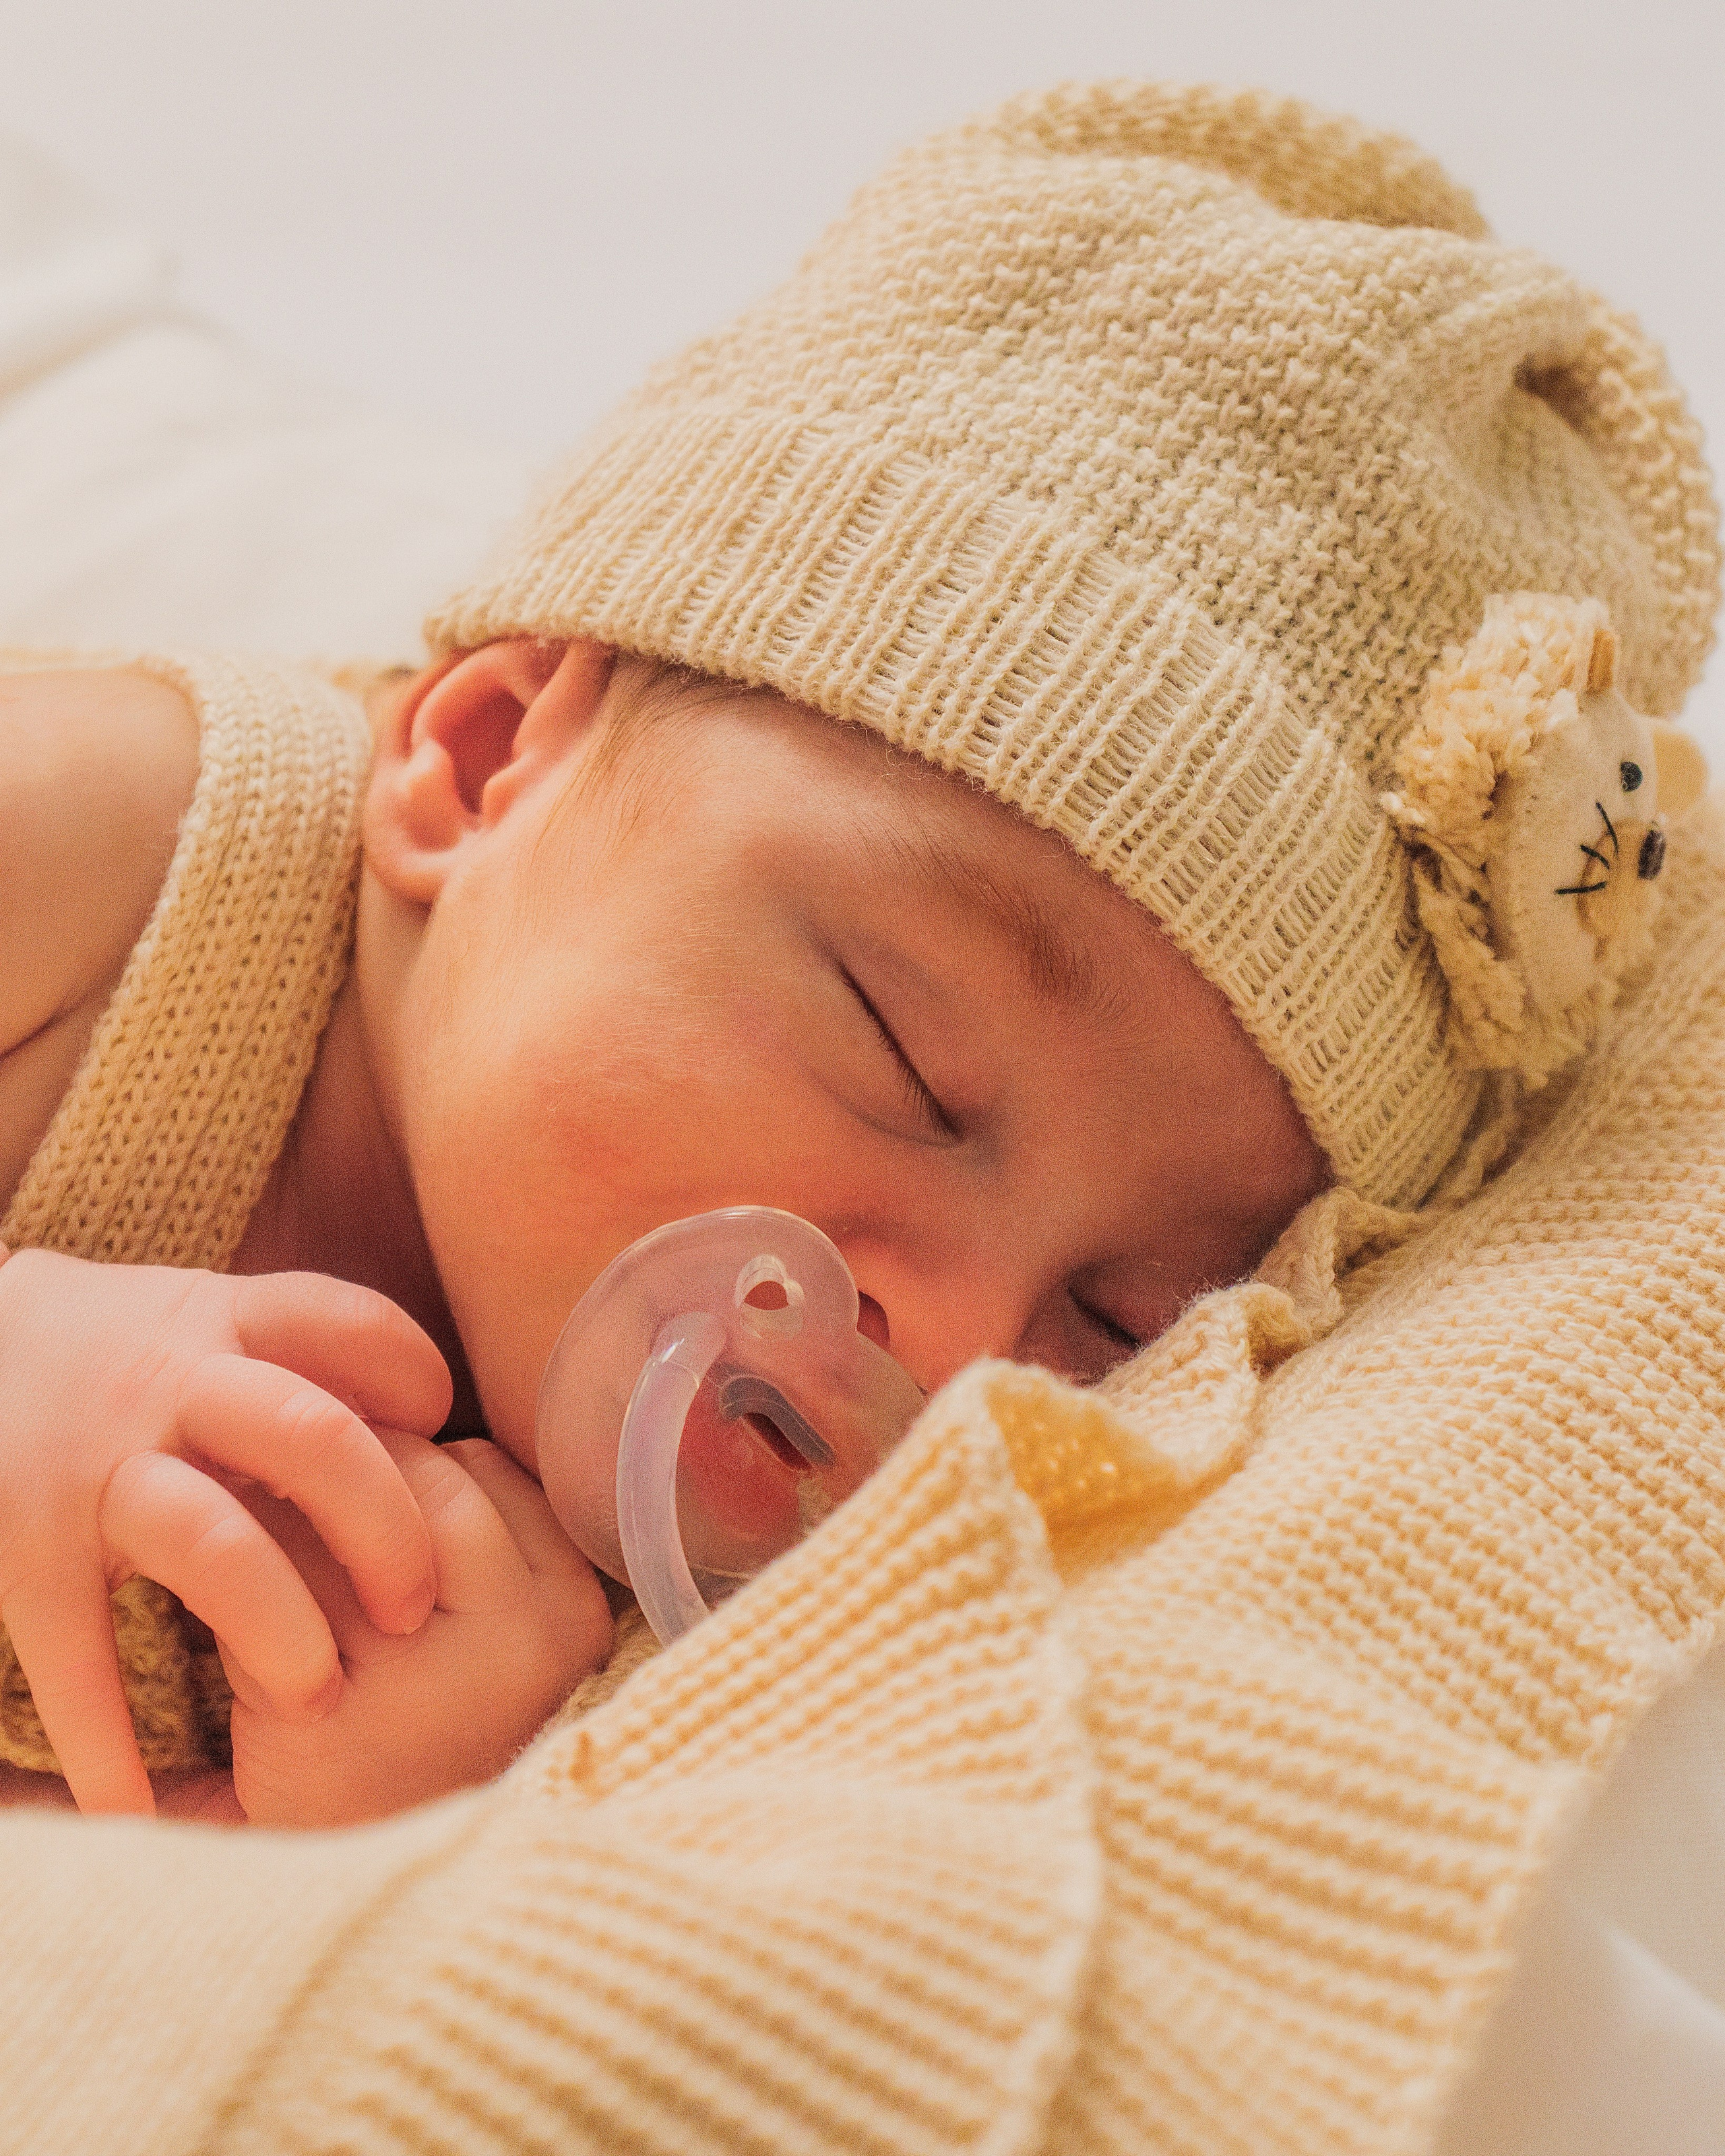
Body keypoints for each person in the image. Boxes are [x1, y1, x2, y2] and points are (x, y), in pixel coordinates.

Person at [0, 79, 1714, 1834]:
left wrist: (348, 1803)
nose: (961, 1346)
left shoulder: (713, 1577)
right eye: (901, 1056)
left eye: (1119, 1317)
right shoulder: (109, 839)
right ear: (489, 754)